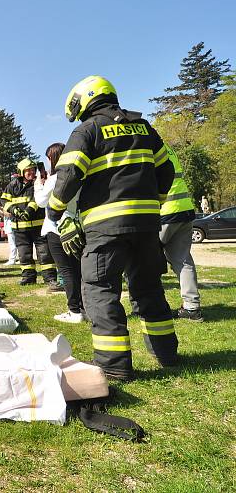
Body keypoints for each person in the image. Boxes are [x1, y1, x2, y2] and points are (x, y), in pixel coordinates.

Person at [47, 75, 177, 381]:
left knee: (100, 291)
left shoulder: (88, 130)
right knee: (149, 289)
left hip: (105, 228)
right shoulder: (144, 128)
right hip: (146, 227)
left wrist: (55, 209)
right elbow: (166, 169)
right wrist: (152, 203)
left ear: (85, 99)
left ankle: (114, 366)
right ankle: (167, 355)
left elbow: (68, 176)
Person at [35, 143, 85, 323]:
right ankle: (83, 308)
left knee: (66, 271)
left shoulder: (55, 178)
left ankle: (74, 311)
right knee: (78, 270)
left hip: (56, 228)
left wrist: (38, 184)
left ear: (53, 159)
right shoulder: (78, 176)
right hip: (76, 226)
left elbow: (41, 201)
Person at [160, 144, 203, 321]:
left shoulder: (146, 146)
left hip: (164, 211)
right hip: (184, 208)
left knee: (144, 259)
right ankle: (192, 308)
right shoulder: (166, 147)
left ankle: (153, 307)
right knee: (183, 260)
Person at [1, 159, 59, 288]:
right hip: (19, 228)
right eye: (28, 171)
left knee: (45, 253)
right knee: (24, 254)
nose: (31, 173)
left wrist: (29, 210)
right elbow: (4, 200)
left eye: (33, 170)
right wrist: (14, 209)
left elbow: (38, 198)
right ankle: (28, 277)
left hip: (38, 226)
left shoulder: (38, 183)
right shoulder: (12, 185)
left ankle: (50, 278)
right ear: (21, 172)